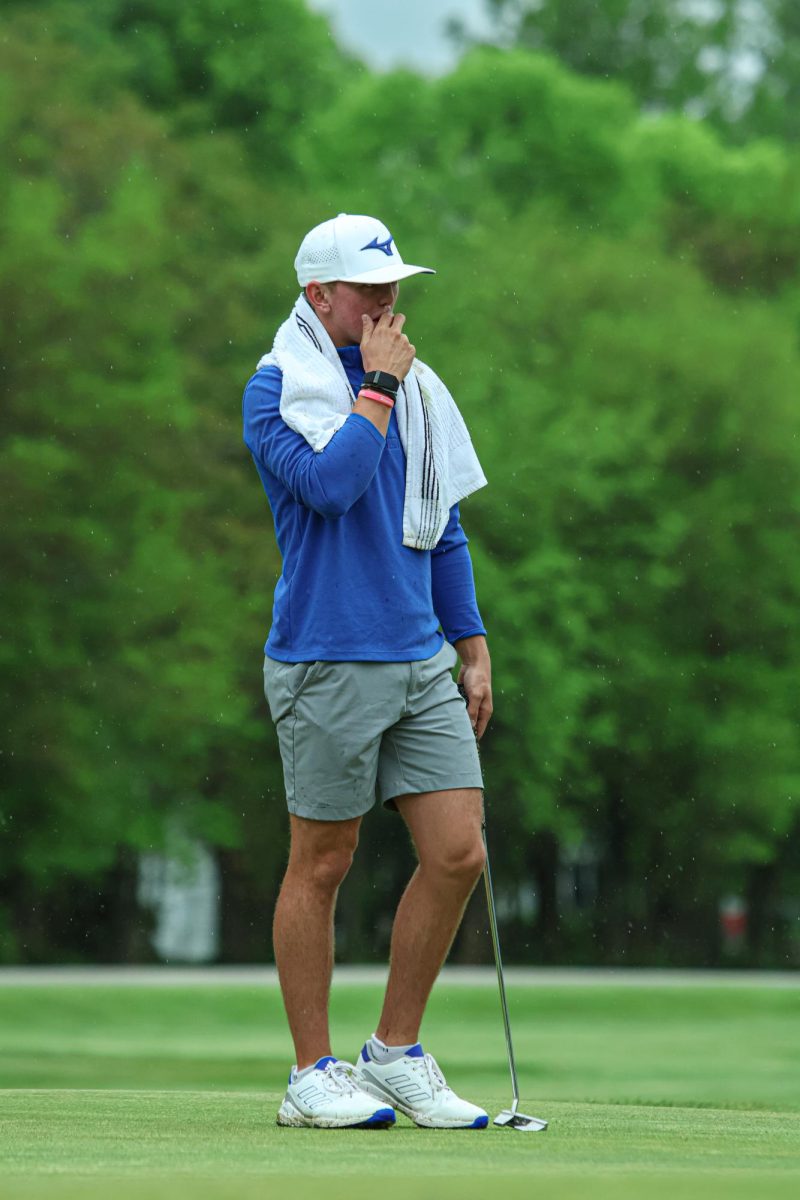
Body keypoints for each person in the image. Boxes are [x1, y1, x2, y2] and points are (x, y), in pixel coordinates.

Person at [242, 213, 493, 1130]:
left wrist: (470, 641)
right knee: (324, 862)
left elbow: (442, 521)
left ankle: (393, 1054)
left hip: (419, 652)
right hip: (325, 658)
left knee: (458, 850)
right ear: (320, 295)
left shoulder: (416, 390)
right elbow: (332, 486)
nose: (391, 302)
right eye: (371, 289)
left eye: (396, 286)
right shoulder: (274, 392)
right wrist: (378, 387)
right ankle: (312, 1073)